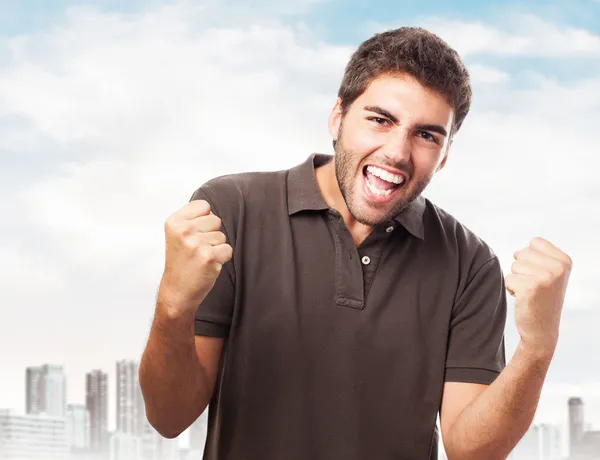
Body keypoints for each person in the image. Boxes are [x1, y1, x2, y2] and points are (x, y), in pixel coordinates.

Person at [139, 27, 572, 459]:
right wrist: (173, 303)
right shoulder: (231, 210)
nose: (397, 152)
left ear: (445, 156)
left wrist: (537, 348)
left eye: (426, 135)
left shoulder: (470, 264)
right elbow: (169, 417)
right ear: (337, 116)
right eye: (380, 120)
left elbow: (469, 452)